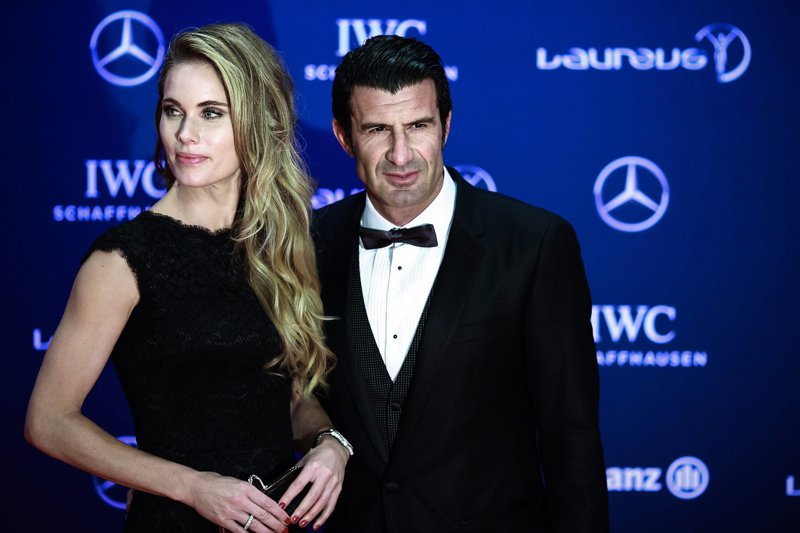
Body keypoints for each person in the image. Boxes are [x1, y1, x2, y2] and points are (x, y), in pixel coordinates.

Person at [25, 23, 351, 533]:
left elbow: (282, 396)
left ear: (258, 121)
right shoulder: (122, 260)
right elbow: (48, 421)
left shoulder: (278, 243)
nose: (185, 134)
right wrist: (193, 487)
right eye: (173, 110)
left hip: (275, 523)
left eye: (211, 113)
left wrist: (330, 443)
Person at [313, 35, 609, 532]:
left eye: (419, 126)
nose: (401, 154)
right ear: (344, 136)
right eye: (378, 129)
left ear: (446, 124)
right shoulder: (308, 244)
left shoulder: (533, 244)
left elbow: (571, 438)